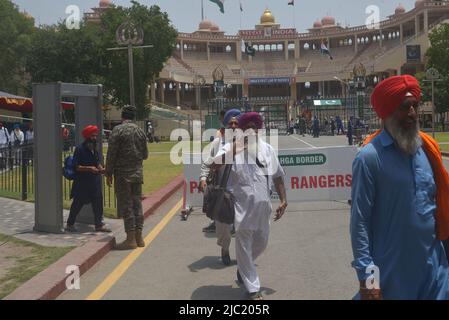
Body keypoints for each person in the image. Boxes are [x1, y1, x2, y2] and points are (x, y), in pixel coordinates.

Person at [350, 75, 449, 300]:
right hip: (392, 276)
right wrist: (368, 279)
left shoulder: (427, 151)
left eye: (415, 105)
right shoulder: (369, 158)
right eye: (405, 107)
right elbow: (360, 222)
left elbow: (438, 210)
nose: (413, 113)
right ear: (387, 112)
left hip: (435, 270)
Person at [212, 112, 288, 300]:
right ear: (242, 129)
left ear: (259, 129)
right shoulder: (232, 148)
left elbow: (278, 175)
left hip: (263, 208)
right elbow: (214, 164)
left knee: (262, 242)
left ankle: (245, 268)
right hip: (242, 209)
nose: (252, 129)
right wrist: (236, 149)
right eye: (248, 126)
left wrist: (283, 200)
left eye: (255, 126)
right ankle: (253, 288)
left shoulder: (268, 149)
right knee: (243, 246)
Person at [199, 109, 241, 266]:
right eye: (230, 123)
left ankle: (243, 257)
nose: (234, 125)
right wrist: (203, 178)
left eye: (237, 123)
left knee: (243, 227)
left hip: (242, 192)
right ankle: (225, 249)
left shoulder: (248, 144)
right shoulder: (218, 144)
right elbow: (206, 162)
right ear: (226, 126)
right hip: (223, 191)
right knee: (223, 227)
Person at [106, 105, 148, 250]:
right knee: (137, 204)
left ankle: (130, 239)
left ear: (122, 116)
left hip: (122, 174)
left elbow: (111, 153)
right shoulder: (140, 131)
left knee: (126, 205)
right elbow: (145, 155)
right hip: (137, 173)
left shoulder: (117, 130)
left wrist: (108, 173)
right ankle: (139, 237)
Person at [65, 125, 111, 233]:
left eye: (95, 136)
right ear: (87, 137)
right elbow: (76, 167)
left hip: (94, 182)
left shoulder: (94, 150)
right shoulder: (79, 149)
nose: (95, 138)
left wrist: (101, 169)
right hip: (83, 183)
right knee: (77, 204)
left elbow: (97, 163)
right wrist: (89, 168)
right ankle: (69, 224)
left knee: (98, 203)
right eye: (93, 136)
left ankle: (98, 225)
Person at [202, 109, 227, 234]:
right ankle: (216, 223)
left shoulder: (246, 142)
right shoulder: (218, 140)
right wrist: (203, 177)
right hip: (221, 181)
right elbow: (209, 161)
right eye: (224, 120)